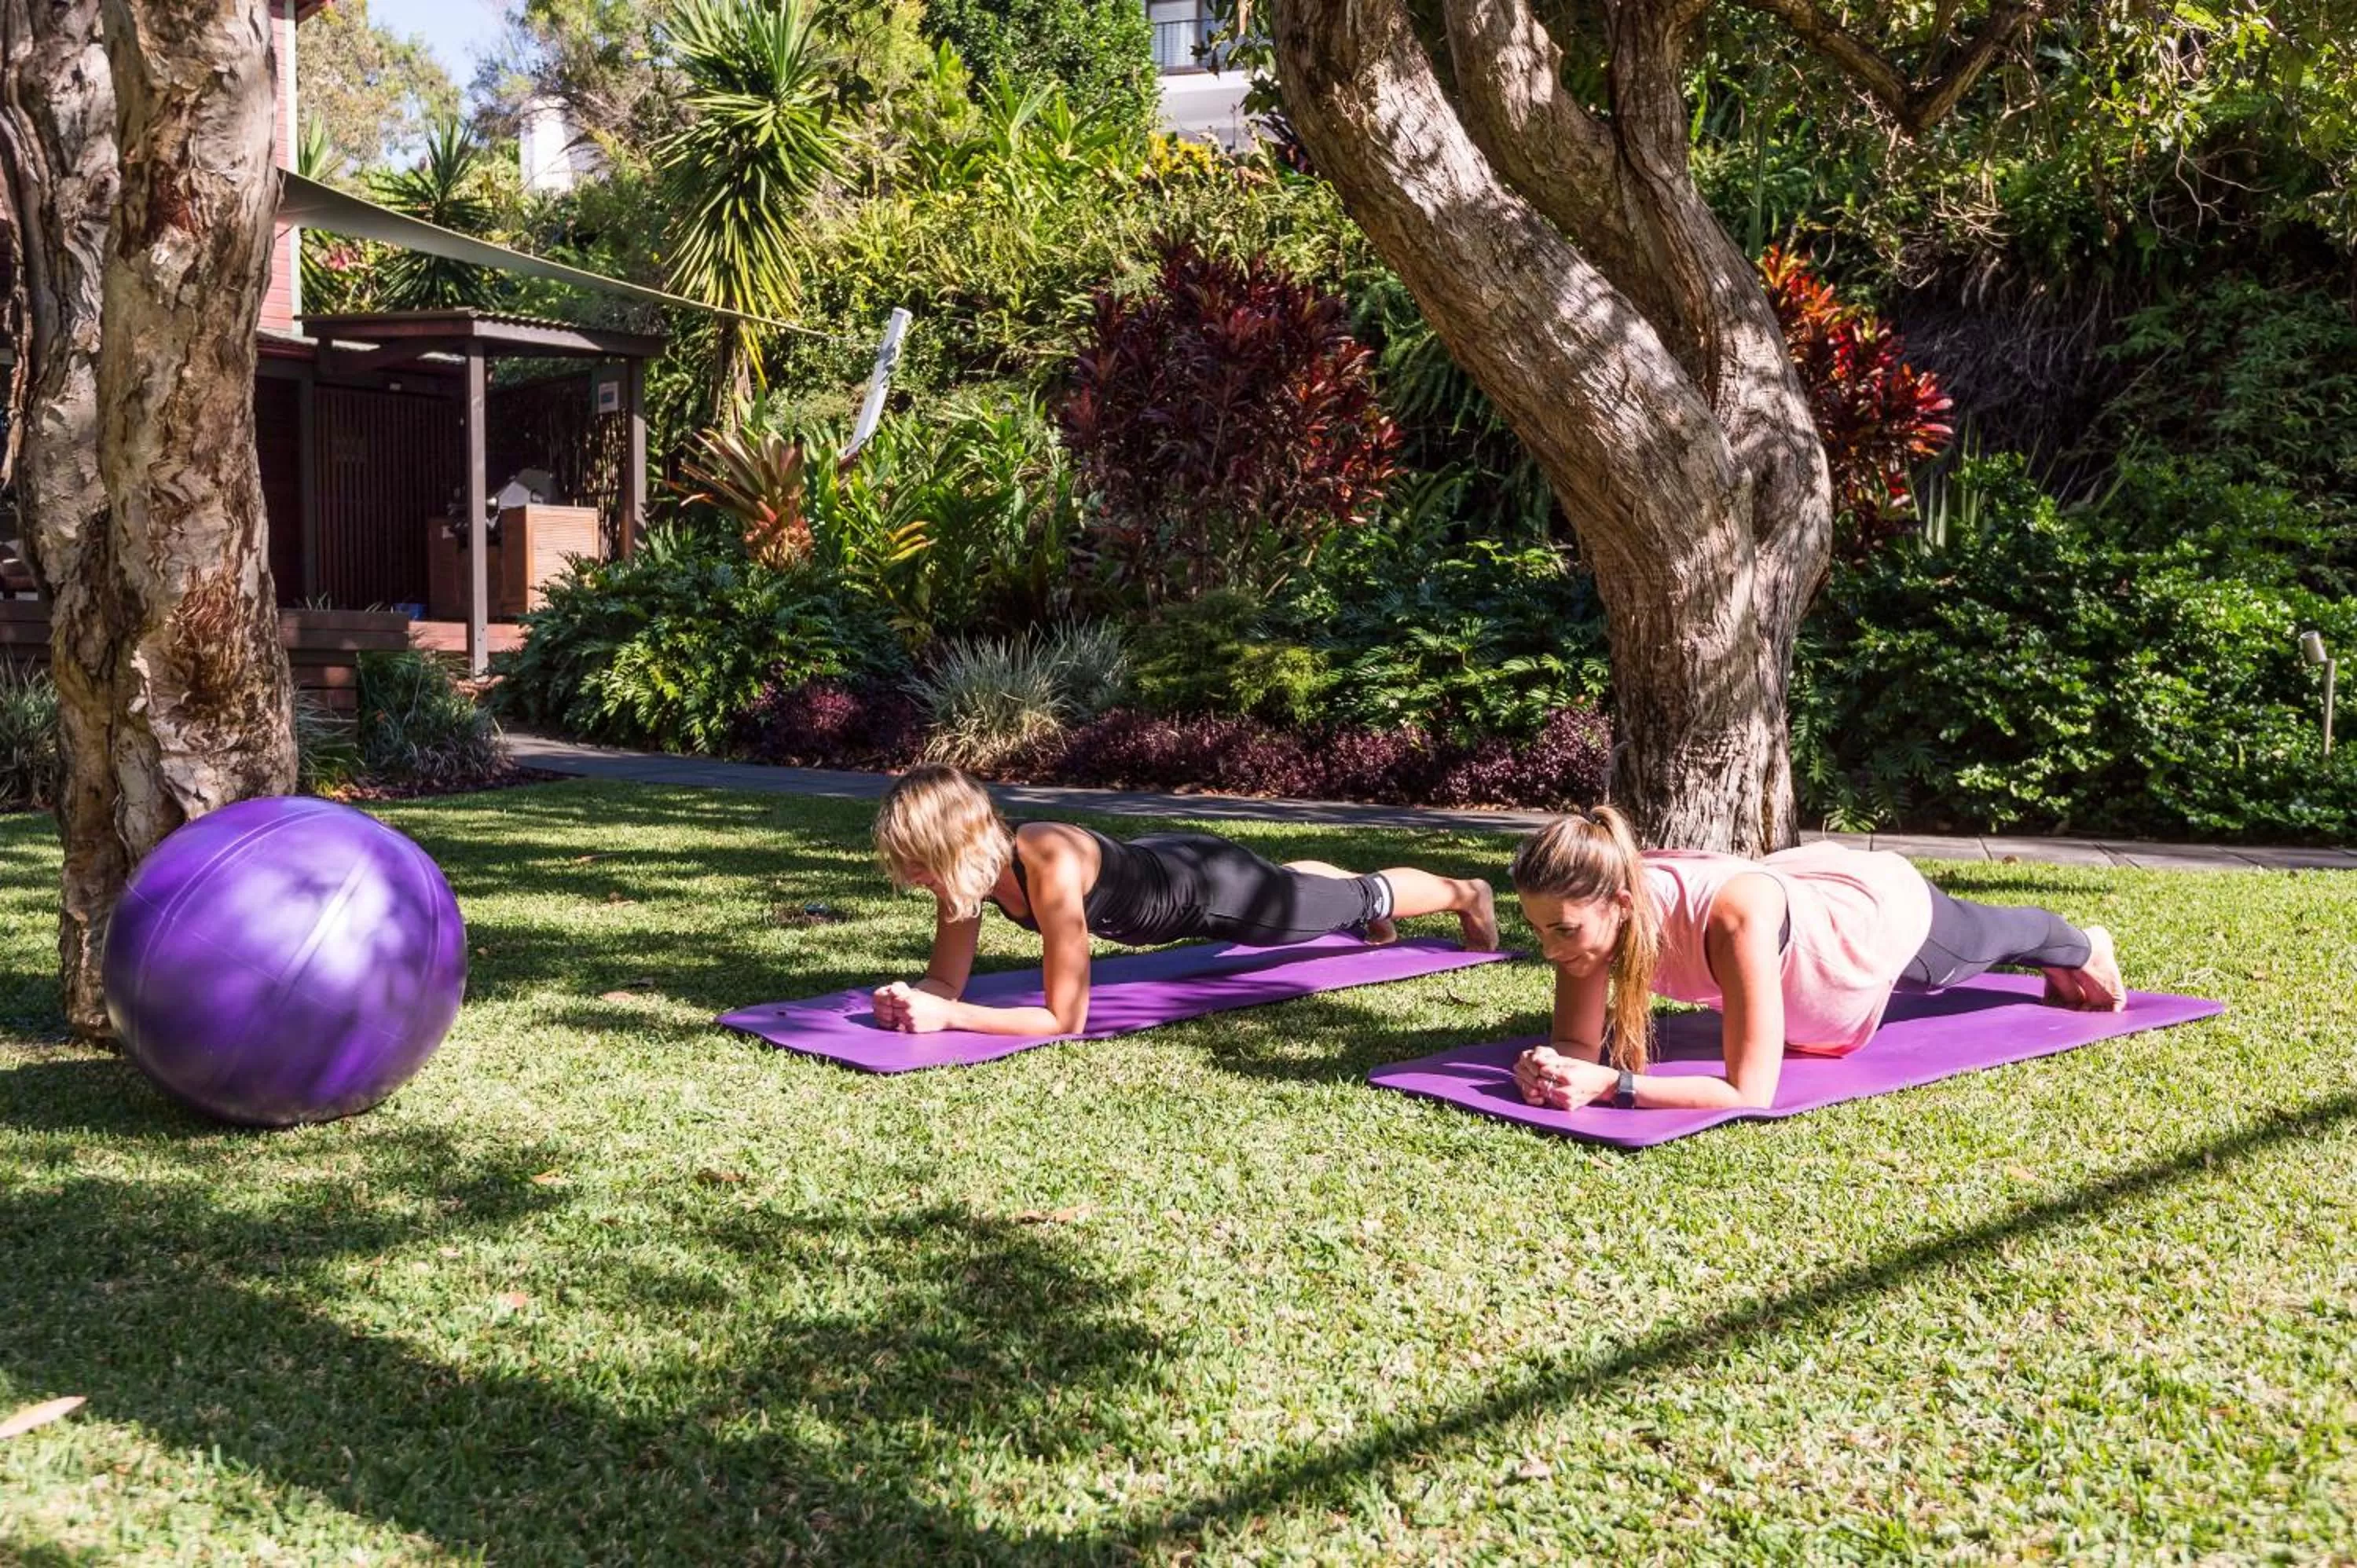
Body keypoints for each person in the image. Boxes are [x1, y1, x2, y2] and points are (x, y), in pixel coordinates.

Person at [1507, 806, 2125, 1113]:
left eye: (1562, 931)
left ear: (1621, 905)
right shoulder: (1587, 923)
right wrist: (1553, 1068)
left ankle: (2084, 944)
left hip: (1866, 923)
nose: (1551, 950)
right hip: (1795, 903)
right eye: (1538, 930)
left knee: (1991, 940)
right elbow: (1576, 1043)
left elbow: (1749, 1091)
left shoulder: (1732, 920)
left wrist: (1615, 1086)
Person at [867, 764, 1497, 1036]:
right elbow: (944, 982)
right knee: (1300, 889)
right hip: (1172, 861)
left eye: (921, 863)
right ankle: (1318, 890)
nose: (914, 877)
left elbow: (1065, 1019)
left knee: (1356, 899)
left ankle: (1466, 893)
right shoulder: (967, 878)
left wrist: (951, 1017)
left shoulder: (1049, 863)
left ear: (961, 846)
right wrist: (915, 999)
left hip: (1213, 893)